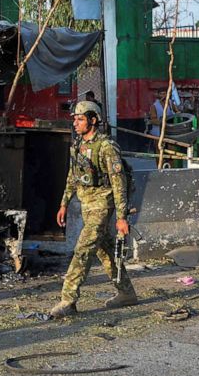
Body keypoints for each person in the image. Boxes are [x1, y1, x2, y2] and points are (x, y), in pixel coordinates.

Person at [50, 100, 137, 319]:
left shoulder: (106, 147)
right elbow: (73, 176)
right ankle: (126, 293)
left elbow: (119, 183)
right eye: (75, 119)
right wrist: (64, 203)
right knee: (105, 250)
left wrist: (122, 217)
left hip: (102, 204)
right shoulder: (78, 144)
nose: (76, 123)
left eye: (80, 119)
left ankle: (68, 300)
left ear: (93, 120)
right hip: (86, 204)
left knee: (83, 249)